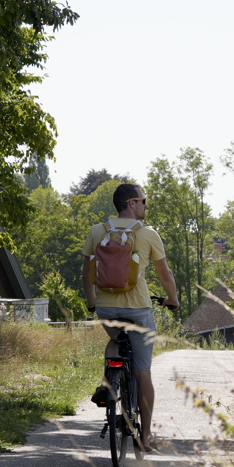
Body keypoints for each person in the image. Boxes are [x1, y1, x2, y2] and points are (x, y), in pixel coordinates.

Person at [82, 183, 179, 452]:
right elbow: (165, 275)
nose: (146, 205)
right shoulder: (148, 234)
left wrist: (93, 304)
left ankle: (108, 382)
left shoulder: (97, 231)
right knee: (142, 370)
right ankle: (145, 437)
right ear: (132, 203)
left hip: (106, 310)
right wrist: (173, 300)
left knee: (115, 341)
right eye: (144, 201)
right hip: (138, 310)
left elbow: (86, 275)